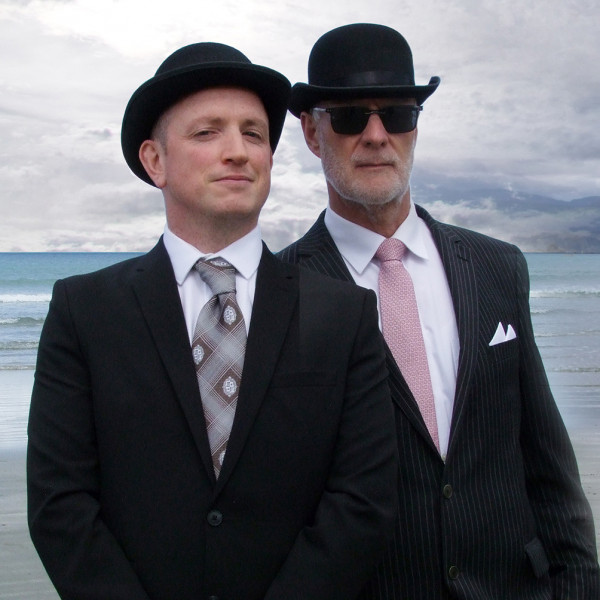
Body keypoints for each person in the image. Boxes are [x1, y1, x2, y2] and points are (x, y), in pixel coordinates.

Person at [27, 42, 399, 600]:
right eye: (207, 133)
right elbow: (60, 504)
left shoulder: (343, 314)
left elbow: (363, 499)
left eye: (254, 134)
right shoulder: (84, 311)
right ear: (155, 161)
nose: (238, 152)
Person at [278, 23, 600, 599]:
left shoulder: (498, 266)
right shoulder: (278, 293)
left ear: (416, 125)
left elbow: (548, 465)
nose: (376, 135)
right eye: (349, 118)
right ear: (311, 131)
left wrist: (578, 585)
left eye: (397, 115)